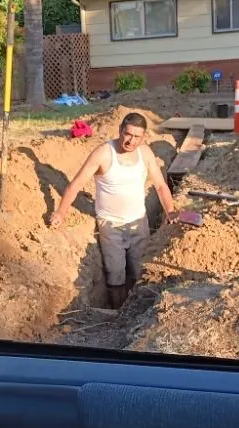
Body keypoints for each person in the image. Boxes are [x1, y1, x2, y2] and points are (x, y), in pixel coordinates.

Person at [50, 112, 176, 308]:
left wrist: (170, 210)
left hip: (139, 224)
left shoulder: (146, 154)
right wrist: (61, 213)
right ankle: (118, 313)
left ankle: (135, 312)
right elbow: (75, 185)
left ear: (143, 137)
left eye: (137, 137)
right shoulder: (104, 153)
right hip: (111, 226)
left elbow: (160, 185)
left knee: (139, 272)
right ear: (120, 131)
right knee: (115, 275)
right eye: (128, 134)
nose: (131, 140)